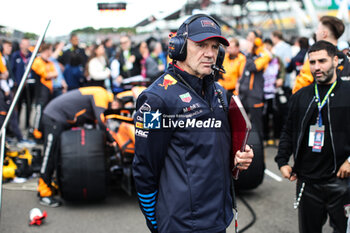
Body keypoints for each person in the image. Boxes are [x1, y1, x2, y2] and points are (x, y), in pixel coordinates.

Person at [133, 14, 254, 233]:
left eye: (215, 47)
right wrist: (155, 220)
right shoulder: (156, 99)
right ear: (178, 48)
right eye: (200, 45)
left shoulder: (219, 92)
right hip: (182, 224)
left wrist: (240, 156)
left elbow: (218, 148)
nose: (210, 54)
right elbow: (144, 168)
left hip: (219, 216)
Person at [275, 40, 350, 233]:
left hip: (341, 182)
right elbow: (288, 131)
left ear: (335, 61)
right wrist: (282, 160)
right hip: (307, 182)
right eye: (313, 62)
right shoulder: (300, 96)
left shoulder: (348, 93)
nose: (317, 67)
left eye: (322, 61)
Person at [37, 86, 120, 207]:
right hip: (53, 117)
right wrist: (112, 140)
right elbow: (101, 120)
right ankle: (43, 192)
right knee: (50, 154)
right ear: (113, 100)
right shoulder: (101, 94)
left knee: (57, 155)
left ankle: (50, 184)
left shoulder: (100, 94)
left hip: (60, 118)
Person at [293, 15, 350, 94]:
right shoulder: (346, 58)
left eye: (318, 29)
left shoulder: (315, 58)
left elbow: (299, 88)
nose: (316, 32)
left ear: (324, 33)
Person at [238, 30, 271, 141]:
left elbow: (254, 67)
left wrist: (249, 52)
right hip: (243, 93)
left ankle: (259, 149)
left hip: (255, 94)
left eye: (251, 39)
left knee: (257, 125)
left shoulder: (264, 53)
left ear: (257, 40)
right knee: (239, 121)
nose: (248, 41)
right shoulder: (248, 54)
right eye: (248, 38)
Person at [31, 43, 57, 140]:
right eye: (51, 50)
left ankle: (42, 132)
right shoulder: (37, 61)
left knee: (46, 112)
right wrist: (50, 74)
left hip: (48, 92)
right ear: (47, 50)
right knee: (39, 112)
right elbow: (46, 75)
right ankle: (36, 133)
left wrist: (50, 74)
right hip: (40, 92)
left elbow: (55, 73)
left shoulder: (49, 62)